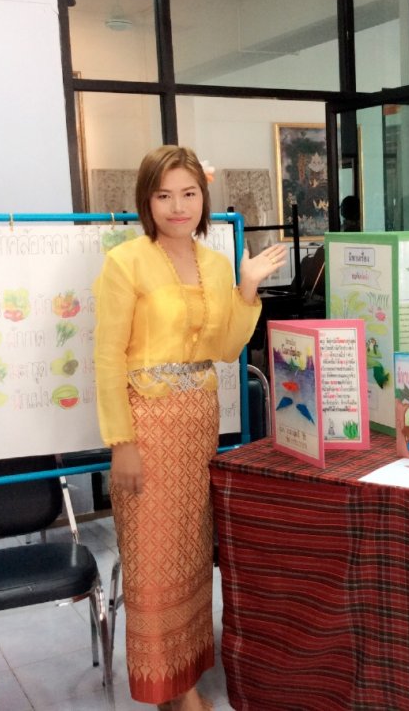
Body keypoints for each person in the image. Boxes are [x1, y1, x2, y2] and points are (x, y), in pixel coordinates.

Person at [93, 145, 286, 711]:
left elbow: (225, 350)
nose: (178, 206)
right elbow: (106, 358)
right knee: (152, 563)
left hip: (198, 425)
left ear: (204, 199)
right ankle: (171, 688)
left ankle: (184, 676)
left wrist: (246, 287)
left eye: (189, 193)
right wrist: (122, 443)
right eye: (164, 195)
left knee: (192, 557)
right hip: (146, 426)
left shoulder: (215, 264)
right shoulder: (125, 263)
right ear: (146, 200)